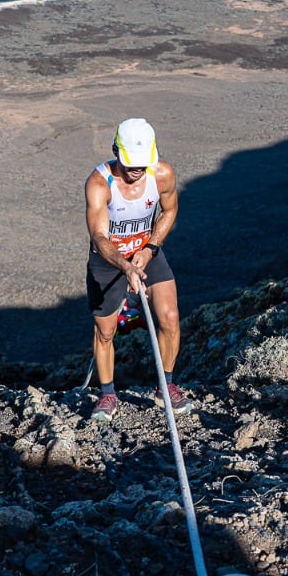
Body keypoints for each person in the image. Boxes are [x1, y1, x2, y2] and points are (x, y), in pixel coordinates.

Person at [84, 116, 187, 420]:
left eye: (142, 165)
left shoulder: (162, 174)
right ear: (115, 151)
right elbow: (99, 236)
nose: (137, 172)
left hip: (146, 254)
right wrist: (125, 266)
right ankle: (107, 394)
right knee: (106, 331)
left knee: (169, 317)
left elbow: (169, 211)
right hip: (108, 261)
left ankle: (165, 386)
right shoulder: (100, 184)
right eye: (131, 165)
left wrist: (151, 247)